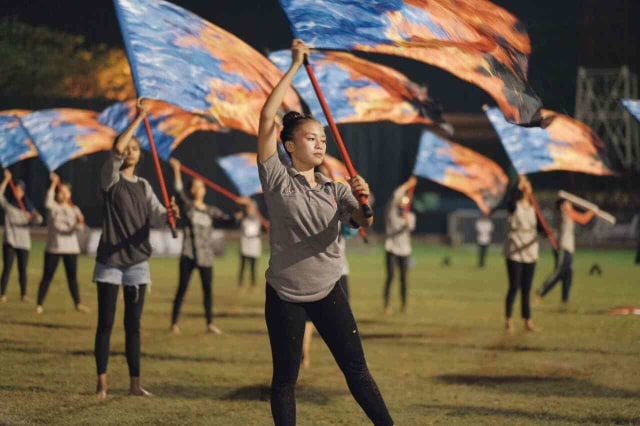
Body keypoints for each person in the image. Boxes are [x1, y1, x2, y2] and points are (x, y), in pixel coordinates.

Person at [257, 39, 394, 426]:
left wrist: (366, 201)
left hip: (328, 290)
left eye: (323, 139)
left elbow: (362, 222)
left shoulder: (336, 189)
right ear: (289, 144)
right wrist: (295, 65)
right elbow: (267, 118)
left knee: (357, 371)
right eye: (311, 138)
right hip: (284, 293)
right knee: (285, 379)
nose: (319, 143)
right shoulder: (275, 177)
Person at [92, 99, 180, 399]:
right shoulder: (111, 179)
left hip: (137, 263)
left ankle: (133, 384)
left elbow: (156, 216)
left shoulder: (144, 185)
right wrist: (140, 118)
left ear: (140, 157)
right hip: (110, 261)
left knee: (134, 325)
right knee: (106, 323)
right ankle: (102, 383)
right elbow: (117, 150)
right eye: (128, 148)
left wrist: (170, 214)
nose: (130, 152)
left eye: (135, 150)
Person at [169, 158, 247, 335]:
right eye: (195, 186)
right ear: (192, 190)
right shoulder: (188, 207)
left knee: (207, 291)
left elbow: (229, 221)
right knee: (182, 289)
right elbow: (178, 191)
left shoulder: (211, 211)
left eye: (201, 186)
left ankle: (210, 324)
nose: (199, 189)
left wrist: (241, 210)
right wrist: (177, 170)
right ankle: (174, 323)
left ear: (204, 190)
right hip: (189, 254)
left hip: (206, 256)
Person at [36, 172, 90, 314]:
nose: (63, 194)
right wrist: (54, 183)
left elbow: (80, 229)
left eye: (66, 192)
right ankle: (39, 304)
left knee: (72, 278)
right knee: (47, 276)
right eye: (61, 192)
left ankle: (78, 304)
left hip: (71, 249)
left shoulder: (75, 209)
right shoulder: (54, 207)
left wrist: (79, 222)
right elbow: (48, 202)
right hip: (54, 248)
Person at [536, 198, 595, 305]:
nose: (570, 204)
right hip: (564, 249)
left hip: (568, 249)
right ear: (563, 207)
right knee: (559, 272)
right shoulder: (567, 214)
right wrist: (592, 211)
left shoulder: (565, 214)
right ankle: (541, 292)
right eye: (568, 203)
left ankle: (565, 300)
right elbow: (583, 219)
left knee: (568, 274)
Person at [503, 175, 540, 335]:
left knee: (527, 288)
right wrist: (518, 184)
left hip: (530, 251)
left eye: (528, 183)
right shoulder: (514, 206)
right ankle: (509, 320)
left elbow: (540, 227)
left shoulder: (533, 207)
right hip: (515, 250)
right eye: (524, 184)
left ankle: (527, 320)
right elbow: (508, 201)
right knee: (514, 286)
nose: (527, 186)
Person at [0, 170, 43, 302]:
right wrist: (6, 180)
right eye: (16, 189)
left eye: (20, 190)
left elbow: (39, 220)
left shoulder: (27, 207)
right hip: (10, 241)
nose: (17, 191)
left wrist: (35, 216)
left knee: (22, 269)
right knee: (7, 268)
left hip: (24, 242)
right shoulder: (9, 206)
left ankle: (23, 294)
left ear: (23, 192)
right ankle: (2, 294)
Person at [383, 176, 417, 315]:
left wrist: (407, 222)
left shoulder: (411, 216)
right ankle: (387, 305)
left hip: (405, 250)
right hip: (391, 248)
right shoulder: (392, 213)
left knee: (404, 279)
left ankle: (403, 304)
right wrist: (408, 184)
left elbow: (409, 228)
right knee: (390, 277)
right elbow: (396, 194)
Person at [237, 199, 264, 291]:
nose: (250, 209)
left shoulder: (258, 219)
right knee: (243, 266)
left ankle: (253, 284)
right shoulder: (243, 218)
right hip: (245, 245)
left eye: (252, 208)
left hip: (254, 246)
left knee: (253, 267)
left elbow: (264, 229)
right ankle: (240, 283)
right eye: (249, 208)